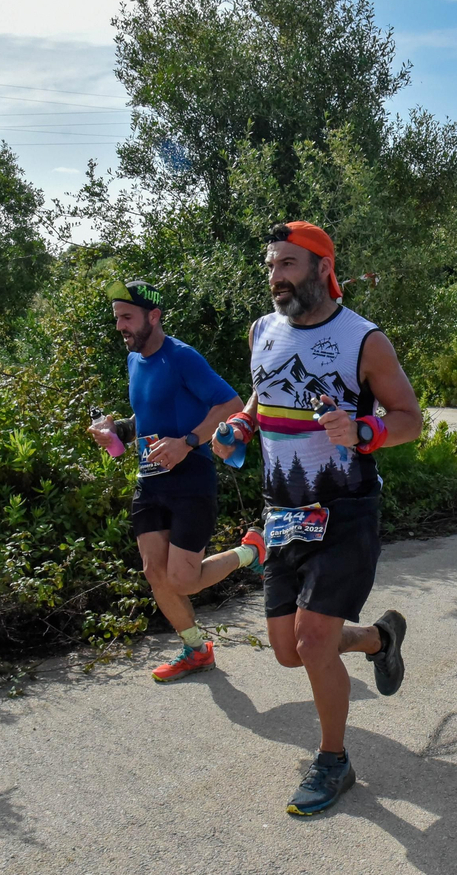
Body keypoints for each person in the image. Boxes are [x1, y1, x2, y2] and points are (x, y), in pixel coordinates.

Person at [212, 221, 419, 816]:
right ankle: (381, 638)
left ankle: (333, 761)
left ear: (323, 269)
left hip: (346, 510)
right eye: (271, 267)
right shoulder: (262, 332)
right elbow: (262, 392)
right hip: (283, 511)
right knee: (288, 649)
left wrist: (363, 430)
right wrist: (241, 427)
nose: (275, 279)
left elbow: (409, 418)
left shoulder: (364, 341)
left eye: (288, 266)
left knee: (311, 639)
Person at [87, 279, 265, 683]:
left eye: (127, 318)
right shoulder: (134, 360)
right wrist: (116, 430)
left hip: (190, 479)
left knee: (183, 578)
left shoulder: (182, 357)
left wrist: (188, 443)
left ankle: (251, 552)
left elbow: (232, 405)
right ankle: (197, 650)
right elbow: (148, 421)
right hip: (149, 481)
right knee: (155, 573)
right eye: (117, 318)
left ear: (154, 316)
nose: (120, 327)